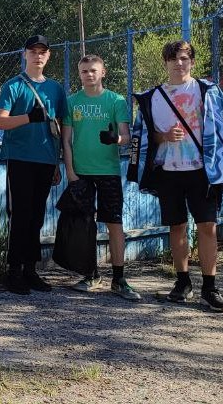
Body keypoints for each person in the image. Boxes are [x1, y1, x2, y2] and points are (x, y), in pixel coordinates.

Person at [128, 41, 223, 313]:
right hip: (169, 172)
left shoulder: (207, 91)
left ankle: (210, 288)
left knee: (207, 226)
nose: (179, 64)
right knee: (176, 227)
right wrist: (163, 137)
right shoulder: (151, 97)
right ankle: (182, 282)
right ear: (165, 63)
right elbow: (142, 136)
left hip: (203, 170)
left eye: (184, 59)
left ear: (192, 62)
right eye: (173, 59)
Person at [61, 55, 140, 301]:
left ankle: (119, 278)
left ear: (103, 72)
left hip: (108, 171)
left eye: (93, 70)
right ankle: (91, 275)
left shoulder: (115, 100)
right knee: (85, 225)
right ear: (79, 74)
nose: (88, 75)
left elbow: (127, 136)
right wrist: (71, 172)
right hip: (81, 172)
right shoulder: (72, 101)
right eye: (84, 71)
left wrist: (115, 139)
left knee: (115, 224)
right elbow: (66, 140)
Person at [0, 35, 68, 295]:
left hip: (46, 159)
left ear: (48, 56)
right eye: (33, 51)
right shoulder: (13, 86)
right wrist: (27, 117)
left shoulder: (56, 89)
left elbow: (60, 128)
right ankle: (13, 270)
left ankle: (30, 269)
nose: (38, 56)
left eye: (42, 52)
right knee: (20, 215)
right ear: (25, 54)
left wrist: (57, 162)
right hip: (20, 158)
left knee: (37, 216)